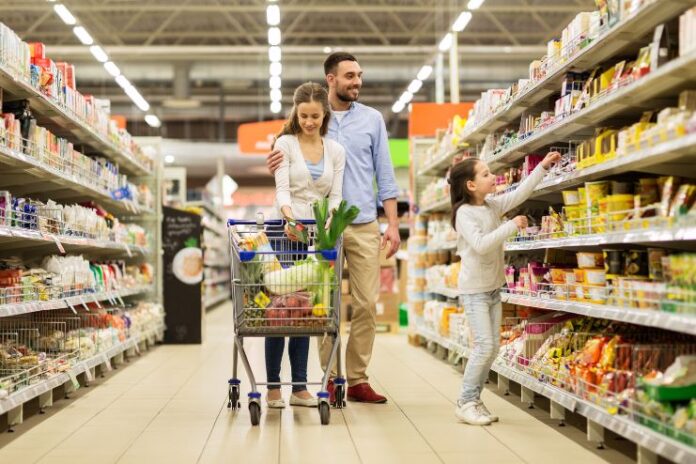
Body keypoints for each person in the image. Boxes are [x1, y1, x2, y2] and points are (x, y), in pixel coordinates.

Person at [267, 52, 400, 404]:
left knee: (366, 303)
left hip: (362, 223)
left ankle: (356, 378)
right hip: (319, 229)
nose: (357, 81)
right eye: (350, 76)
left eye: (359, 75)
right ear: (331, 79)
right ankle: (331, 376)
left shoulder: (372, 120)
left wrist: (394, 224)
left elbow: (385, 175)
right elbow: (286, 165)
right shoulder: (309, 117)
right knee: (324, 305)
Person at [450, 151, 561, 425]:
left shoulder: (491, 205)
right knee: (484, 346)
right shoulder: (465, 213)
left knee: (493, 348)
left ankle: (474, 399)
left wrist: (543, 168)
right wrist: (511, 225)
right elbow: (481, 244)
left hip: (493, 288)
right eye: (486, 174)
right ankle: (465, 402)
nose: (493, 177)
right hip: (474, 290)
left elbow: (519, 194)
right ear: (471, 185)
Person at [266, 82, 346, 409]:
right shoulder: (285, 143)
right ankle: (273, 387)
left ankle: (299, 386)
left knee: (302, 309)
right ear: (295, 113)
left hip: (316, 233)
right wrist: (288, 219)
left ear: (325, 114)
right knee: (280, 307)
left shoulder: (336, 150)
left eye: (315, 116)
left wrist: (331, 220)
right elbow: (282, 189)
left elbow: (336, 195)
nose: (309, 122)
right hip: (285, 230)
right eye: (304, 116)